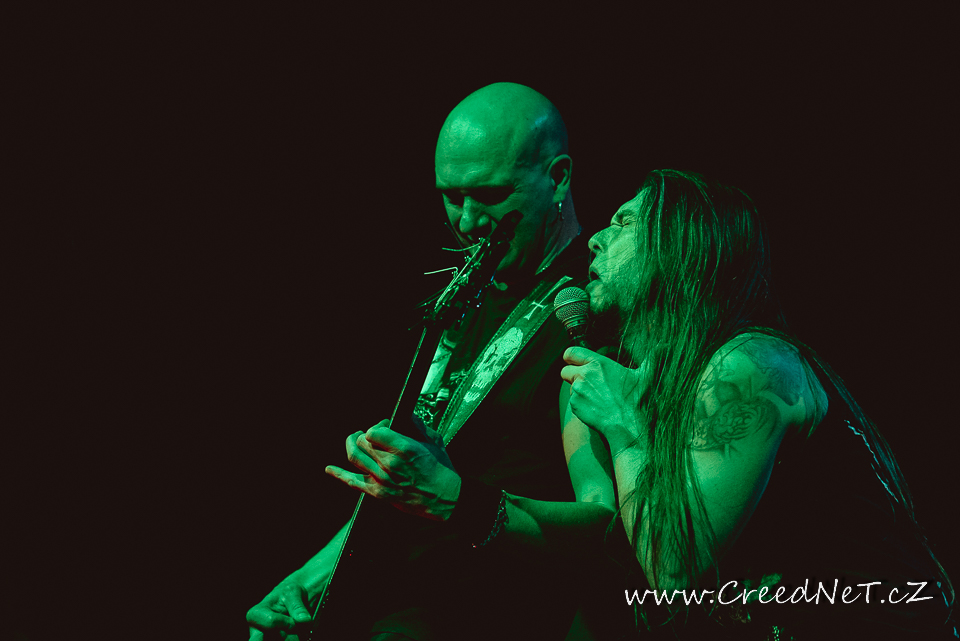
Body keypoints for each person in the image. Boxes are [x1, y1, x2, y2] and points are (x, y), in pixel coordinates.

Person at [247, 83, 616, 641]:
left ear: (558, 177)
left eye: (490, 194)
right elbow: (404, 492)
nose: (467, 222)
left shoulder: (586, 308)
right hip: (402, 602)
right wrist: (306, 583)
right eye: (451, 196)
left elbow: (603, 526)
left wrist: (457, 499)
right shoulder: (466, 299)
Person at [560, 169, 956, 638]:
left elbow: (673, 567)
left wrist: (623, 426)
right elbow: (607, 539)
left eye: (625, 222)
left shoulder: (749, 364)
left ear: (684, 247)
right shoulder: (635, 382)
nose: (596, 240)